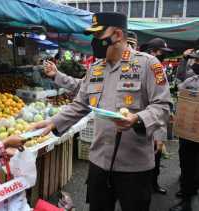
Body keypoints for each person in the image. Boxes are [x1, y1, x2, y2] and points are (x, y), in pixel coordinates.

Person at [33, 12, 171, 211]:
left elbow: (163, 106)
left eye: (98, 36)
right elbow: (80, 104)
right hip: (99, 162)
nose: (94, 41)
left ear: (117, 34)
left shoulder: (148, 64)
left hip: (134, 166)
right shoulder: (95, 68)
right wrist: (53, 122)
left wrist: (137, 118)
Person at [140, 37, 174, 195]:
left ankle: (152, 184)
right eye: (162, 53)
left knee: (156, 158)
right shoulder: (143, 68)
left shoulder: (159, 68)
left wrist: (160, 136)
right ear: (152, 52)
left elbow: (161, 106)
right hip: (140, 125)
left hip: (153, 124)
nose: (163, 56)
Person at [169, 50, 199, 211]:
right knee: (187, 164)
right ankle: (187, 197)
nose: (195, 64)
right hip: (189, 133)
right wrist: (184, 59)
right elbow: (177, 84)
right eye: (195, 61)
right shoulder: (191, 80)